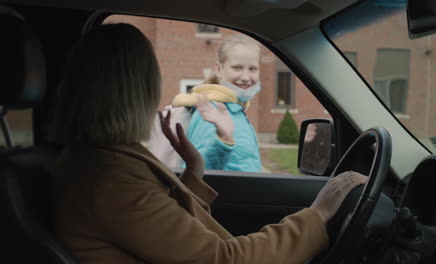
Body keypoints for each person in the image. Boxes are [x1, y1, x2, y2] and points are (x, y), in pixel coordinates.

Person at [51, 23, 367, 264]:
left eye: (251, 69)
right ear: (136, 94)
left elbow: (166, 230)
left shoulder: (103, 163)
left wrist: (194, 171)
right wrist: (318, 213)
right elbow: (224, 258)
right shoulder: (109, 180)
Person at [186, 34, 262, 172]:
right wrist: (224, 139)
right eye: (237, 68)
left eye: (252, 69)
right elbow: (194, 173)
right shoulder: (210, 112)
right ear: (218, 69)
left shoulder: (237, 109)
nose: (246, 77)